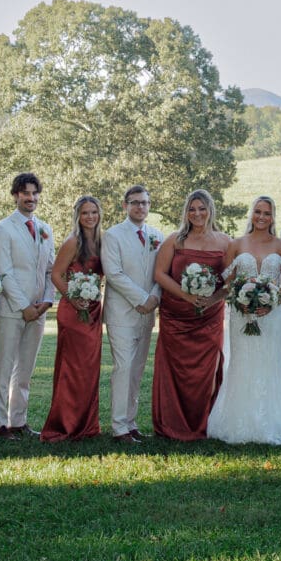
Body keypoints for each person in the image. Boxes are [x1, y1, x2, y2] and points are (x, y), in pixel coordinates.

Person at [207, 196, 281, 444]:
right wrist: (239, 300)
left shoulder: (280, 245)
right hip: (240, 316)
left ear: (273, 216)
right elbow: (227, 282)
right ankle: (238, 423)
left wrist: (272, 303)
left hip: (272, 317)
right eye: (258, 212)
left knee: (270, 364)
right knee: (241, 364)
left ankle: (269, 423)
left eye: (267, 213)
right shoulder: (236, 244)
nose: (262, 217)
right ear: (251, 214)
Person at [152, 189, 230, 440]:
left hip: (209, 318)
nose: (197, 213)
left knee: (206, 372)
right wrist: (186, 296)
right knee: (174, 371)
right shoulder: (174, 240)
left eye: (202, 208)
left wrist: (212, 300)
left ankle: (203, 423)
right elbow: (160, 274)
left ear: (210, 211)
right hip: (176, 317)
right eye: (192, 209)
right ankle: (172, 425)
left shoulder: (225, 242)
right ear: (186, 213)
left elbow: (231, 281)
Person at [0, 173, 54, 439]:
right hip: (11, 310)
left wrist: (47, 301)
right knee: (3, 368)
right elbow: (2, 272)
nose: (31, 198)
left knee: (25, 370)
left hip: (38, 311)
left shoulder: (45, 228)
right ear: (16, 195)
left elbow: (50, 269)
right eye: (25, 193)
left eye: (35, 193)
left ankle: (18, 421)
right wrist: (24, 306)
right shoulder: (2, 229)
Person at [101, 185, 164, 444]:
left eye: (145, 202)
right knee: (123, 367)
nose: (140, 207)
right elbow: (113, 273)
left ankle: (131, 421)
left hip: (147, 313)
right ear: (125, 205)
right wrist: (141, 299)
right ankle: (119, 427)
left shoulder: (156, 235)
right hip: (122, 312)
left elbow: (162, 272)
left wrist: (155, 298)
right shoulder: (113, 235)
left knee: (137, 369)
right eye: (135, 202)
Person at [41, 196, 104, 442]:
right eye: (85, 213)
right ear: (78, 216)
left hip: (93, 311)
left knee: (89, 369)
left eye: (94, 212)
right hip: (73, 311)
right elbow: (56, 275)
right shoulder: (73, 242)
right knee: (72, 369)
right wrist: (73, 296)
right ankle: (64, 424)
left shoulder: (101, 241)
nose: (90, 217)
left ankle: (86, 425)